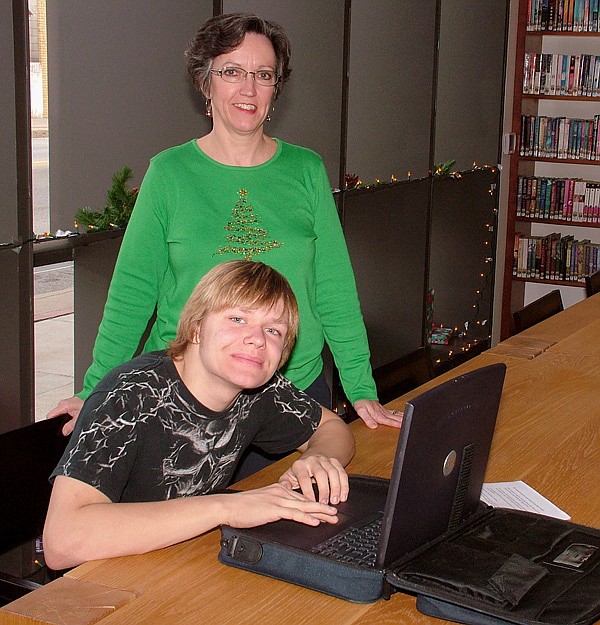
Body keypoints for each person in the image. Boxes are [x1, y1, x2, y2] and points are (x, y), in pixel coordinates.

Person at [48, 12, 402, 438]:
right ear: (205, 83)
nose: (248, 89)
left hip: (295, 393)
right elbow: (132, 293)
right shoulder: (169, 173)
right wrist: (95, 389)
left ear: (276, 89)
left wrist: (360, 387)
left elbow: (333, 287)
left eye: (263, 74)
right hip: (188, 400)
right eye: (232, 71)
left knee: (303, 503)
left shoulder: (306, 170)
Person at [43, 260, 355, 571]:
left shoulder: (259, 391)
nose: (257, 339)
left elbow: (330, 427)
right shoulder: (129, 396)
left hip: (181, 563)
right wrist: (226, 508)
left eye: (273, 330)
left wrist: (319, 458)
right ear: (196, 327)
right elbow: (62, 542)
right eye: (237, 318)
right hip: (107, 581)